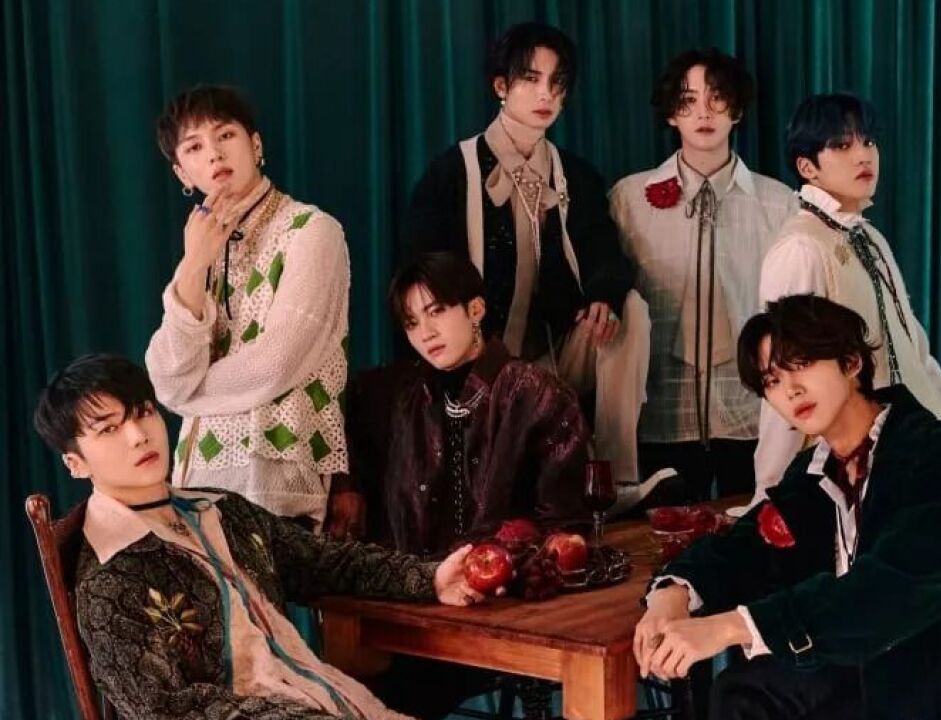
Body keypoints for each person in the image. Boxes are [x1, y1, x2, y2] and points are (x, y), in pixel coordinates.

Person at [33, 353, 482, 720]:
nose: (137, 436)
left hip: (330, 699)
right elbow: (166, 710)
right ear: (75, 463)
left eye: (143, 413)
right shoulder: (109, 579)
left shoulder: (220, 510)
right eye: (109, 429)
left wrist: (430, 579)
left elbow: (322, 561)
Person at [634, 294, 941, 719]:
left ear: (851, 362)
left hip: (936, 686)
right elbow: (743, 548)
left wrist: (731, 627)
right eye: (772, 381)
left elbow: (884, 593)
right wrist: (674, 592)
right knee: (741, 691)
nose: (790, 390)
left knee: (743, 690)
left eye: (802, 364)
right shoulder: (814, 472)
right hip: (873, 674)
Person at [402, 22, 652, 509]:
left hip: (555, 356)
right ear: (501, 85)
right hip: (481, 363)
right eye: (531, 79)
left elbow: (605, 251)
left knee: (632, 311)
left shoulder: (574, 174)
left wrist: (603, 295)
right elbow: (422, 275)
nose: (546, 95)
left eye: (557, 83)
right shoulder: (453, 172)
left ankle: (613, 479)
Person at [145, 85, 349, 528]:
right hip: (194, 485)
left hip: (277, 483)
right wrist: (194, 264)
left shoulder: (312, 231)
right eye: (195, 147)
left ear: (255, 145)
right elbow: (166, 375)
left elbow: (276, 363)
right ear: (182, 173)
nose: (214, 154)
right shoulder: (199, 248)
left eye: (225, 135)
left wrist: (186, 395)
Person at [748, 93, 941, 511]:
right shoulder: (801, 248)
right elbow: (784, 375)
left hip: (914, 443)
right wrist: (770, 491)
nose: (863, 155)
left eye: (869, 141)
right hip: (850, 466)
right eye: (842, 145)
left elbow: (914, 355)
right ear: (807, 167)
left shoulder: (869, 237)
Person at [610, 48, 796, 504]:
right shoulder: (629, 199)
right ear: (671, 114)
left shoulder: (779, 203)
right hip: (659, 408)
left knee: (751, 528)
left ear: (737, 110)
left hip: (750, 408)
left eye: (717, 99)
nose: (703, 114)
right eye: (688, 101)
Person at [334, 251, 589, 553]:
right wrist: (346, 486)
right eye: (412, 323)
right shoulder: (398, 393)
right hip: (418, 578)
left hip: (506, 575)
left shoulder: (538, 395)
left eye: (437, 311)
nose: (426, 333)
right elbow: (337, 420)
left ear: (476, 309)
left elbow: (563, 525)